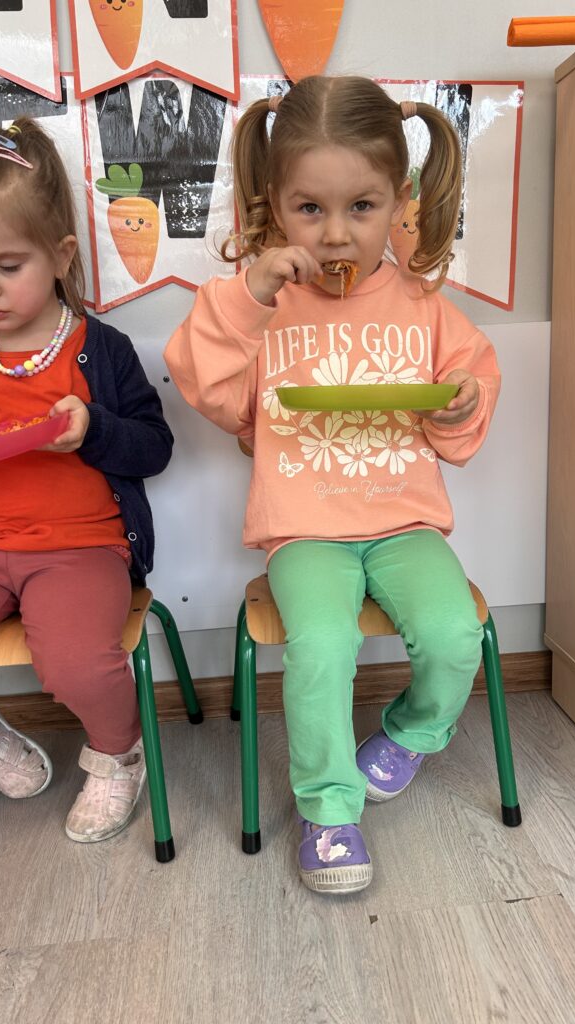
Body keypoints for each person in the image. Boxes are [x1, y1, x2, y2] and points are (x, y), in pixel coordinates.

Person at [165, 76, 501, 894]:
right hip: (304, 528)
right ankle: (327, 808)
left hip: (404, 522)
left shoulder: (424, 306)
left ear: (399, 203)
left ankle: (411, 735)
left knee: (455, 635)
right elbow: (206, 389)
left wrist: (460, 401)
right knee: (320, 647)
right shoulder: (260, 305)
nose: (338, 233)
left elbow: (465, 411)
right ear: (275, 205)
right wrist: (248, 296)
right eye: (310, 208)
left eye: (362, 206)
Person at [0, 119, 173, 844]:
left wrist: (93, 429)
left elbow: (155, 447)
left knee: (78, 667)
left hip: (81, 547)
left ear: (61, 254)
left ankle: (117, 755)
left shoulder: (100, 348)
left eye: (8, 265)